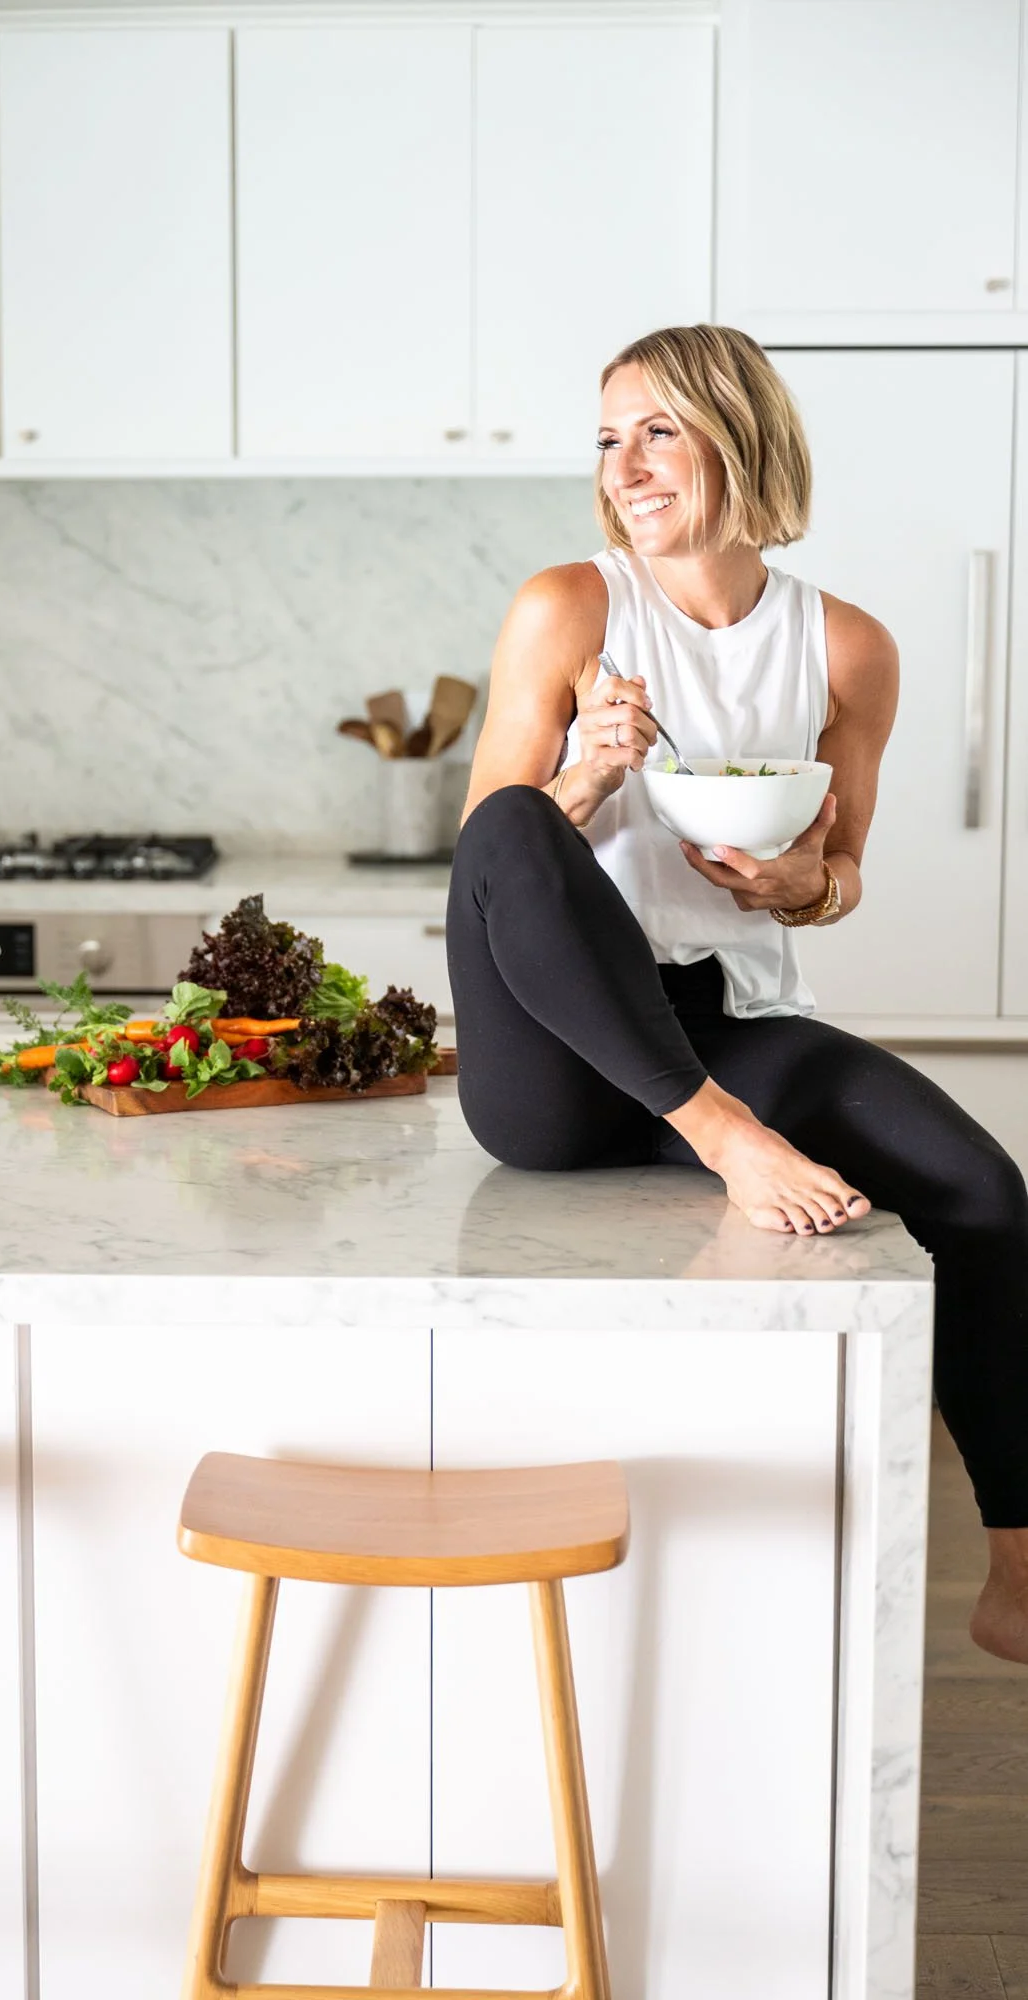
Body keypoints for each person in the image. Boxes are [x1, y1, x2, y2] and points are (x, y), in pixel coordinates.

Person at [448, 323, 1028, 1664]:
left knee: (987, 1192)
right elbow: (492, 849)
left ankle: (1015, 1567)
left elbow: (843, 874)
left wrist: (792, 888)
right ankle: (725, 1136)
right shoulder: (569, 607)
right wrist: (586, 777)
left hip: (723, 1018)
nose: (625, 466)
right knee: (520, 826)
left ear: (740, 432)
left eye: (657, 429)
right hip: (557, 1060)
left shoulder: (850, 649)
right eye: (608, 437)